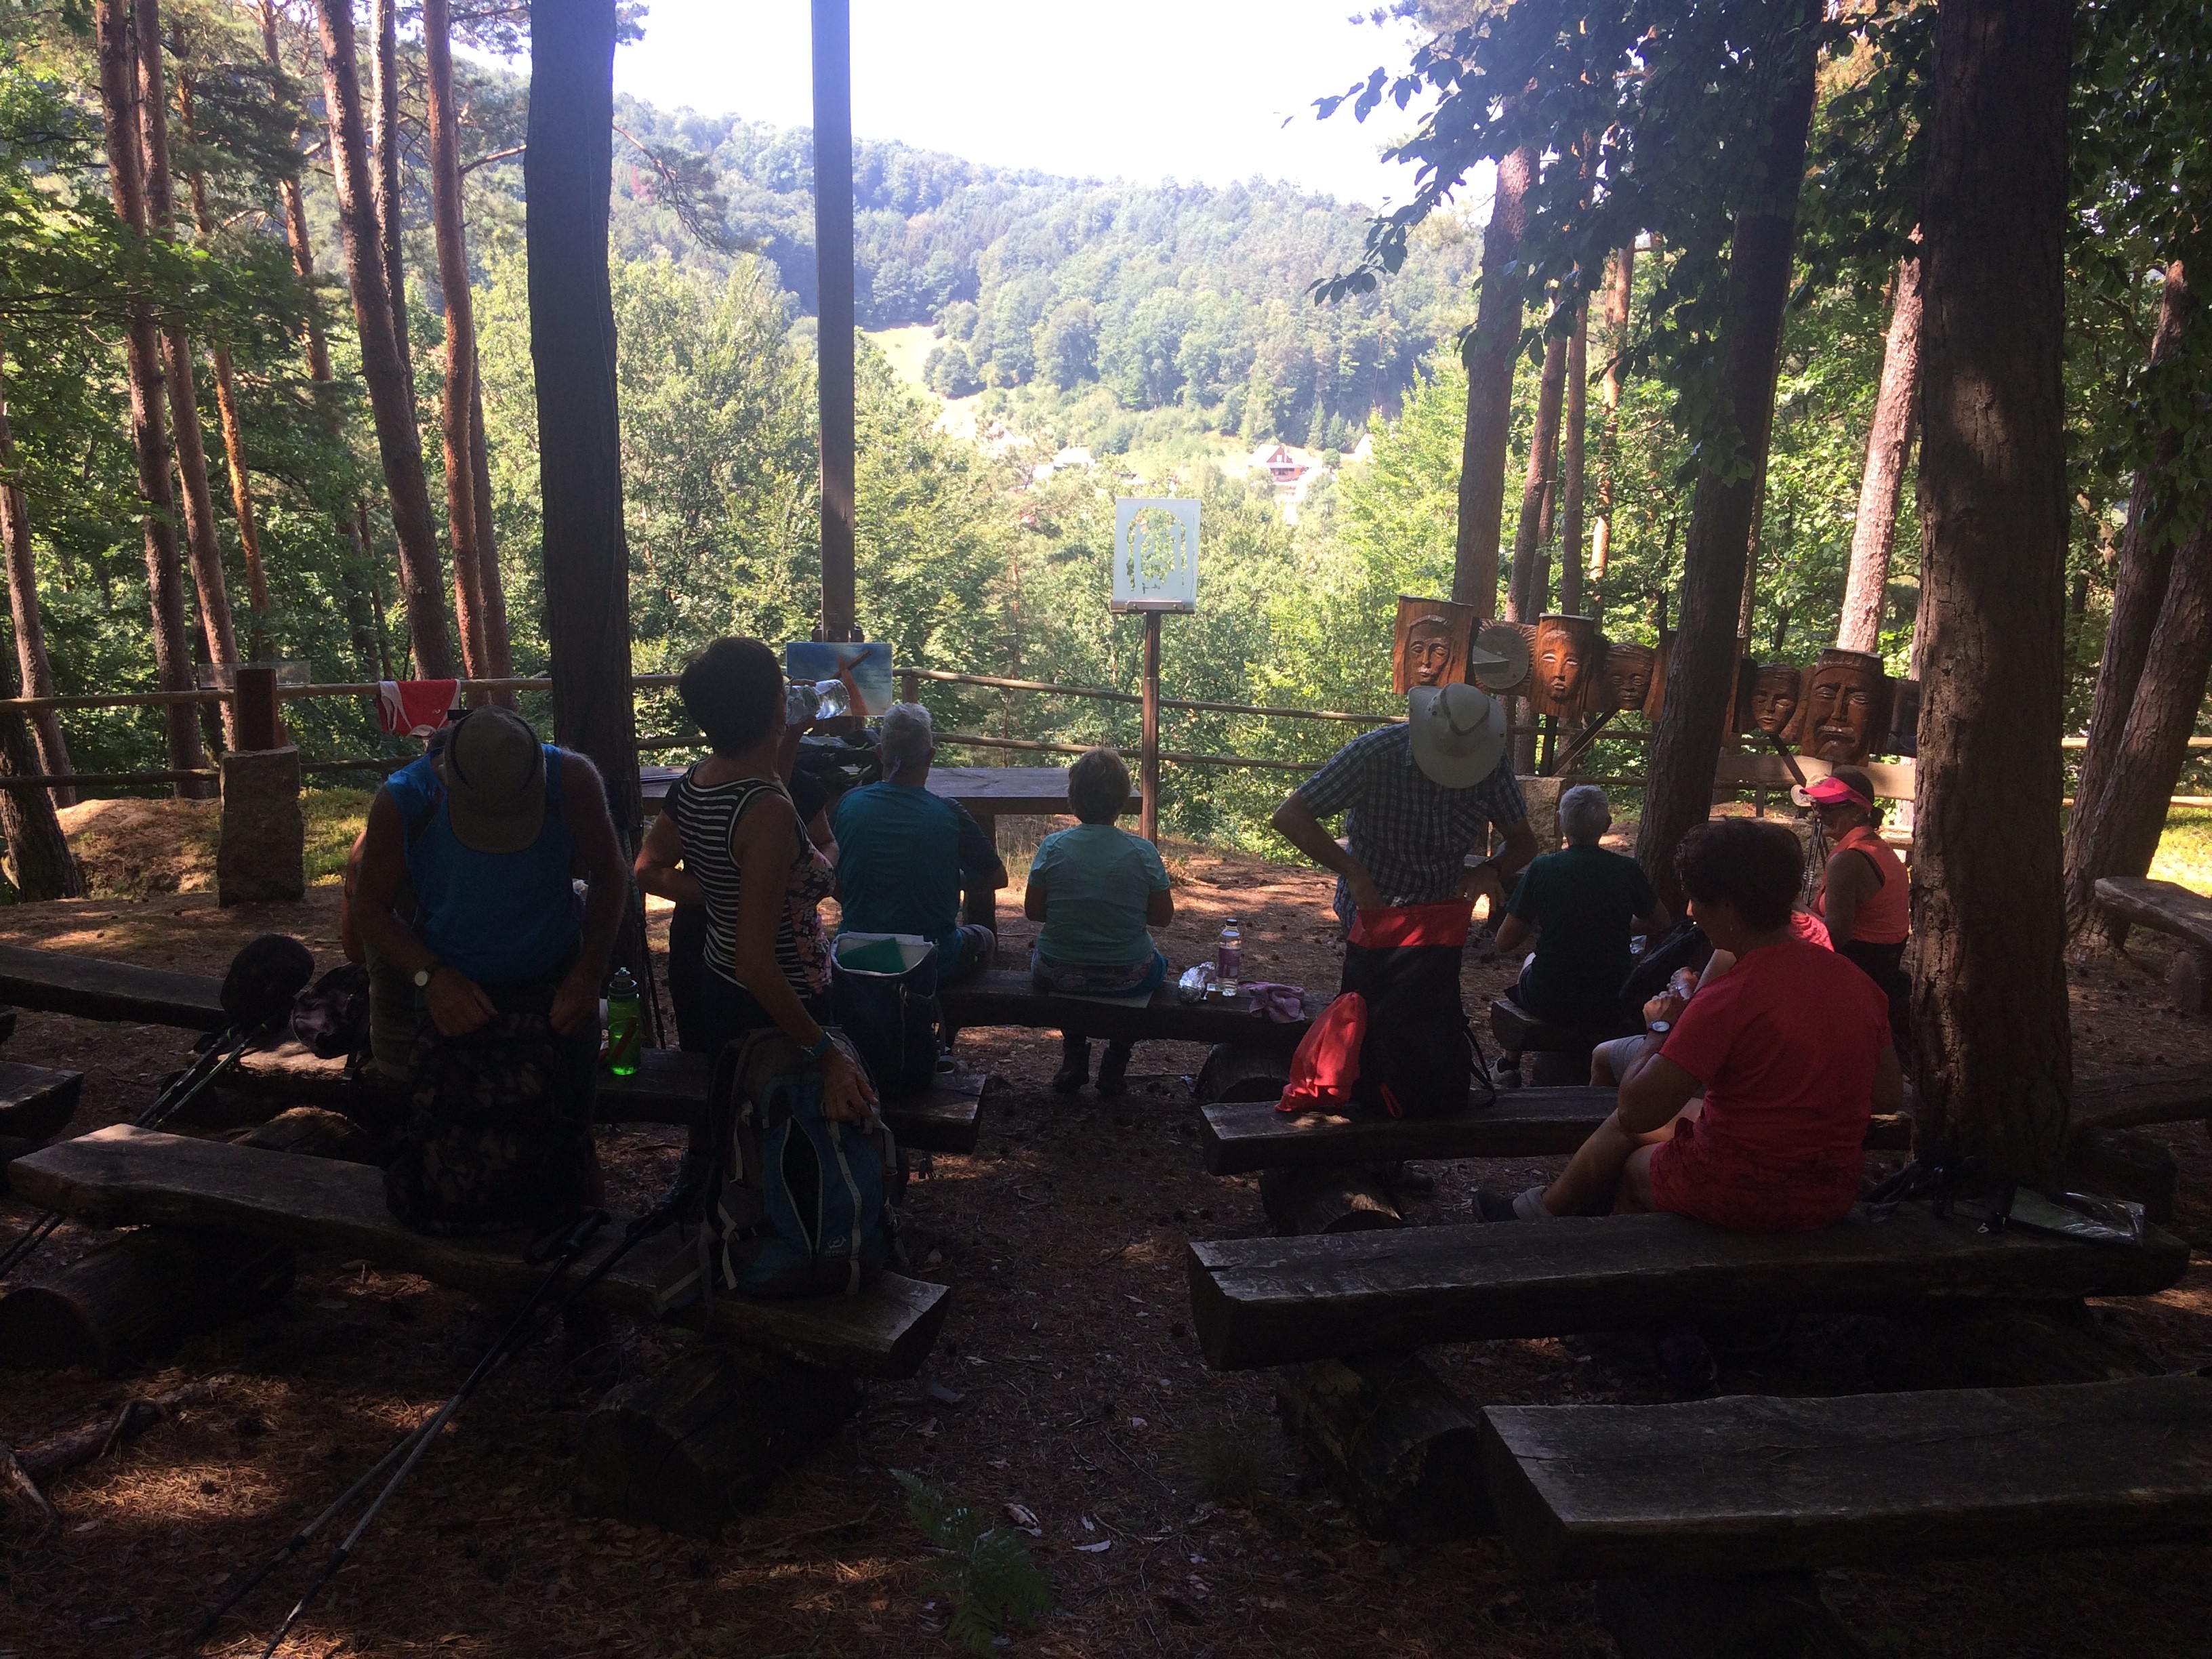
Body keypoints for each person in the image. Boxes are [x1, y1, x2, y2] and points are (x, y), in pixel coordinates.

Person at [1477, 817, 1900, 1233]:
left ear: (1730, 907)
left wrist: (1658, 1029)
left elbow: (1637, 1110)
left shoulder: (1729, 996)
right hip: (1829, 1190)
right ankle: (1544, 1210)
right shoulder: (1857, 982)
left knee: (1635, 1165)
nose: (1690, 911)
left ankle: (1617, 1262)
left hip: (1746, 1189)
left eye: (1697, 899)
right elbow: (1885, 1094)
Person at [634, 638, 878, 1197]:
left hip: (724, 989)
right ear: (772, 703)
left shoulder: (699, 782)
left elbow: (762, 794)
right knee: (784, 1151)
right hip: (774, 1008)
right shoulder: (765, 812)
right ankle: (792, 1247)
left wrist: (724, 891)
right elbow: (756, 963)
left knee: (748, 1140)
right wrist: (825, 1052)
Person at [1271, 680, 1538, 930]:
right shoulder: (1375, 755)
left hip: (1442, 917)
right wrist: (1353, 872)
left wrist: (1491, 869)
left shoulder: (1491, 764)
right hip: (1372, 910)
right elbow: (1290, 816)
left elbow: (1524, 843)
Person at [1023, 746, 1174, 1095]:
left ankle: (1074, 1053)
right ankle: (1117, 1058)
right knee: (1158, 967)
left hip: (1056, 971)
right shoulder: (1143, 852)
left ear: (1073, 800)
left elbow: (1033, 912)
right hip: (1128, 975)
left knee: (1066, 971)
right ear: (1122, 800)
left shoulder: (1052, 847)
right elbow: (1163, 918)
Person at [832, 703, 1007, 985]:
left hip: (856, 955)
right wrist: (944, 880)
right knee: (983, 937)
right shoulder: (949, 813)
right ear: (931, 756)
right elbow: (997, 877)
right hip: (931, 960)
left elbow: (832, 879)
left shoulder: (848, 806)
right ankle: (950, 1021)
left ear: (880, 754)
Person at [1496, 783, 1668, 1028]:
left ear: (1559, 822)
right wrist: (1610, 926)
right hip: (1611, 998)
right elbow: (1662, 921)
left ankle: (1509, 1062)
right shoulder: (1627, 870)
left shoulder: (1543, 868)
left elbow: (1504, 942)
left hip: (1549, 998)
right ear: (1607, 824)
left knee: (1532, 959)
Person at [1806, 767, 1912, 1057]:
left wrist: (1791, 904)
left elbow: (1834, 938)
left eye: (1829, 806)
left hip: (1856, 973)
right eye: (1817, 806)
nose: (1819, 814)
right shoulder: (1878, 849)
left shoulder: (1849, 860)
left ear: (1857, 812)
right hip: (1879, 970)